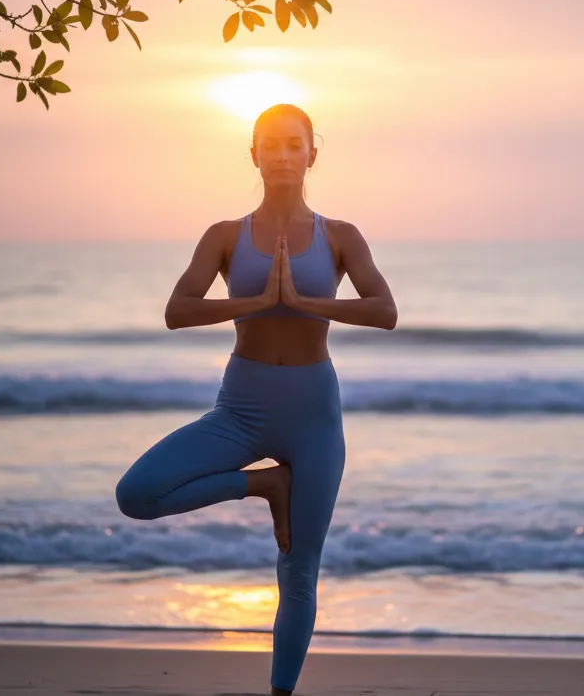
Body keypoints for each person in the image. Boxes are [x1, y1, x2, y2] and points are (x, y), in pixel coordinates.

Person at [114, 102, 397, 695]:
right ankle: (265, 485)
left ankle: (280, 693)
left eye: (295, 144)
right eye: (271, 144)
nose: (283, 155)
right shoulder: (224, 236)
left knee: (298, 569)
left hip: (313, 417)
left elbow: (384, 311)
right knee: (136, 495)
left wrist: (306, 301)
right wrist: (254, 300)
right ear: (254, 155)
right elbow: (177, 312)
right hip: (240, 409)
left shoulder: (340, 237)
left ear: (312, 153)